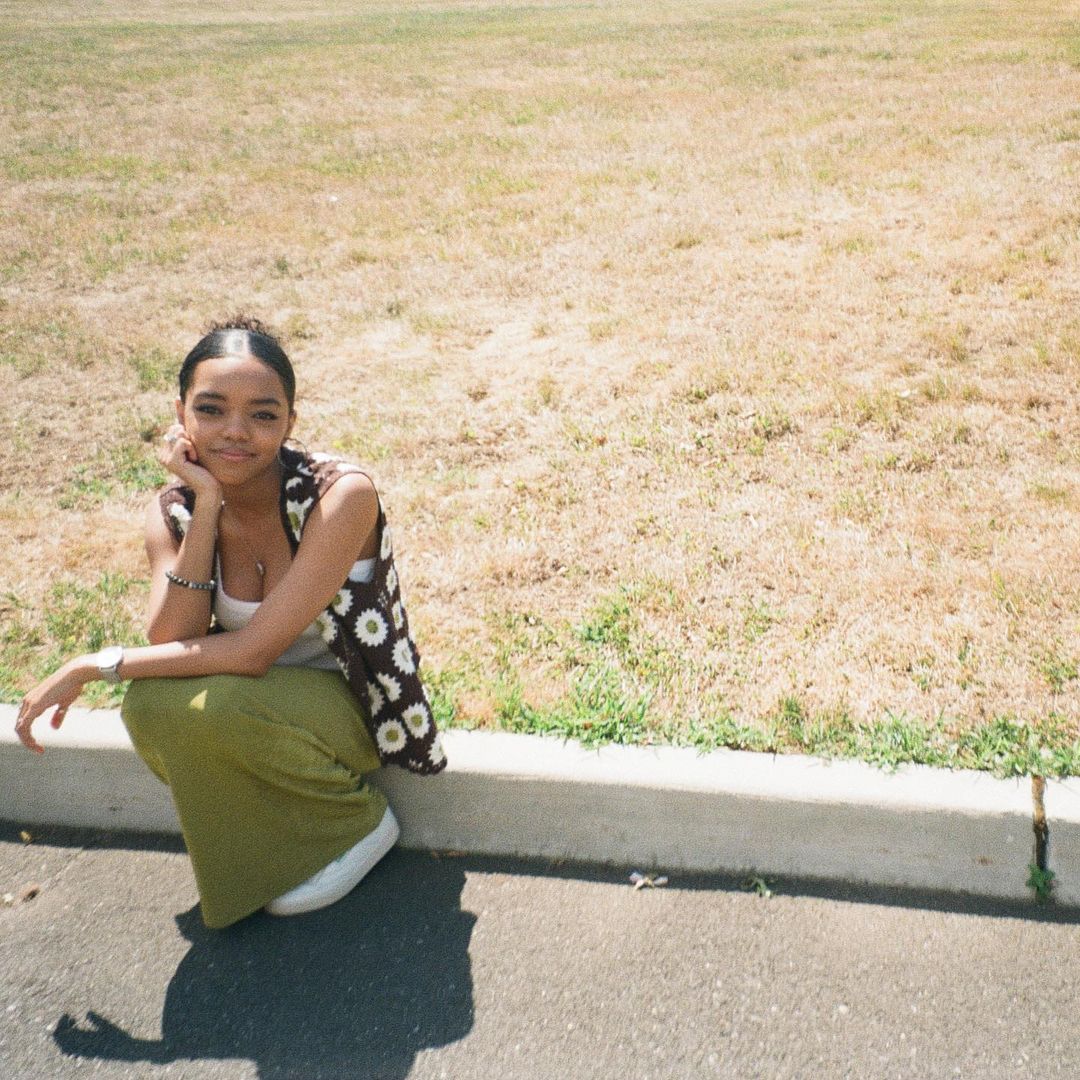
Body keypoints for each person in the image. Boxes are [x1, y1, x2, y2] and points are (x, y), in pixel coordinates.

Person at [14, 317, 446, 928]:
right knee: (149, 706)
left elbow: (252, 652)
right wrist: (207, 506)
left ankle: (357, 824)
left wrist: (92, 665)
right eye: (211, 410)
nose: (235, 432)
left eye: (263, 415)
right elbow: (172, 637)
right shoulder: (174, 509)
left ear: (290, 422)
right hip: (258, 705)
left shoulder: (337, 495)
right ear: (181, 415)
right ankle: (287, 835)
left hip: (354, 708)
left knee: (211, 705)